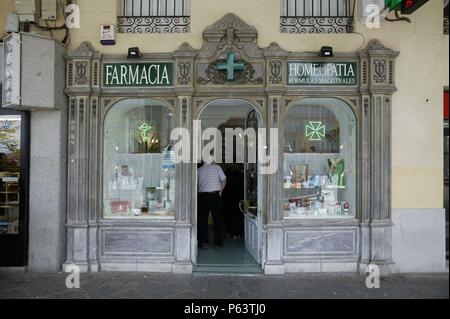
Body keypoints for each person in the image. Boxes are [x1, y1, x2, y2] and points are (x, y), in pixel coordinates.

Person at [197, 161, 227, 250]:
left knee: (202, 220)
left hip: (202, 196)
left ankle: (203, 242)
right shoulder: (217, 167)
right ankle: (218, 243)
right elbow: (224, 179)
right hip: (215, 195)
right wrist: (220, 191)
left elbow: (195, 184)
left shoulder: (199, 170)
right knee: (217, 220)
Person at [222, 164, 244, 239]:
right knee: (238, 216)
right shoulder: (241, 175)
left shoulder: (226, 175)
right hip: (238, 198)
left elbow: (223, 186)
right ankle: (237, 233)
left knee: (228, 215)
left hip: (227, 198)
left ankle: (229, 232)